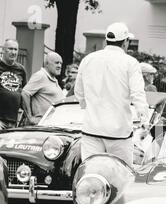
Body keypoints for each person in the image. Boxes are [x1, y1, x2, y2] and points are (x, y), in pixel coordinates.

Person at [74, 22, 148, 165]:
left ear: (107, 40)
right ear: (125, 42)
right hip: (119, 133)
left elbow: (79, 92)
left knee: (91, 174)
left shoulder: (88, 60)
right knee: (122, 177)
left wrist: (89, 108)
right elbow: (137, 95)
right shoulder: (130, 63)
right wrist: (144, 120)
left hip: (92, 130)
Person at [22, 52, 64, 124]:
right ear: (47, 64)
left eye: (61, 63)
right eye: (57, 63)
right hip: (41, 125)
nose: (59, 66)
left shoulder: (53, 79)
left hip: (53, 124)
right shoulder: (41, 75)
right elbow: (25, 93)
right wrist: (30, 117)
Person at [0, 39, 27, 129]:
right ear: (3, 50)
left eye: (15, 49)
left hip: (14, 121)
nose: (13, 52)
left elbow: (24, 93)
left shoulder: (21, 69)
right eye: (10, 49)